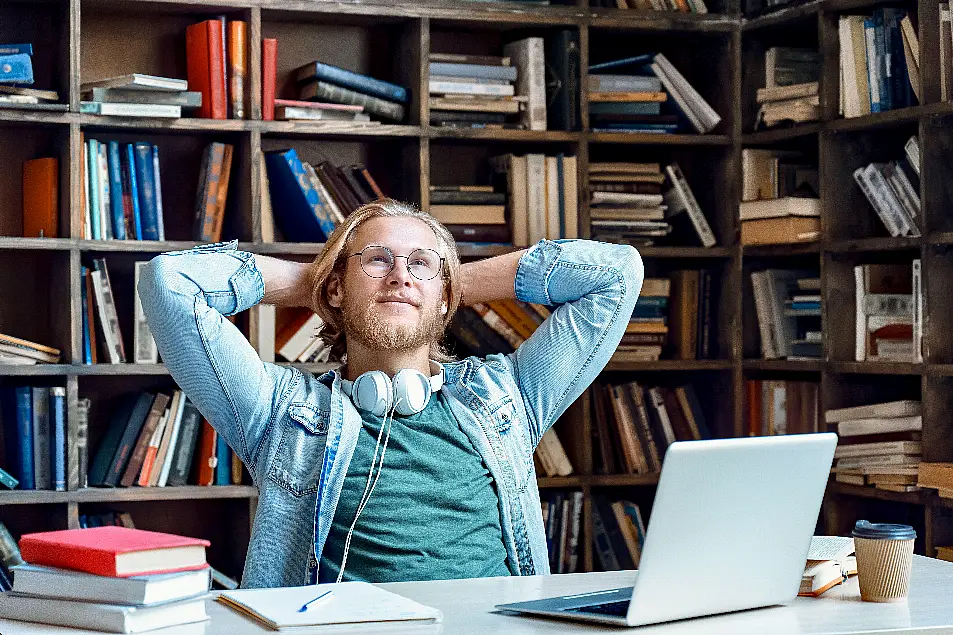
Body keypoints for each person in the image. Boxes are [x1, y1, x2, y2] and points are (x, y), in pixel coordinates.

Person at [138, 198, 643, 589]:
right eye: (377, 260)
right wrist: (315, 283)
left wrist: (453, 282)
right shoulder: (278, 410)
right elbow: (169, 281)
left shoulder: (509, 393)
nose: (401, 275)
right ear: (337, 289)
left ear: (446, 295)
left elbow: (616, 275)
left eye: (419, 264)